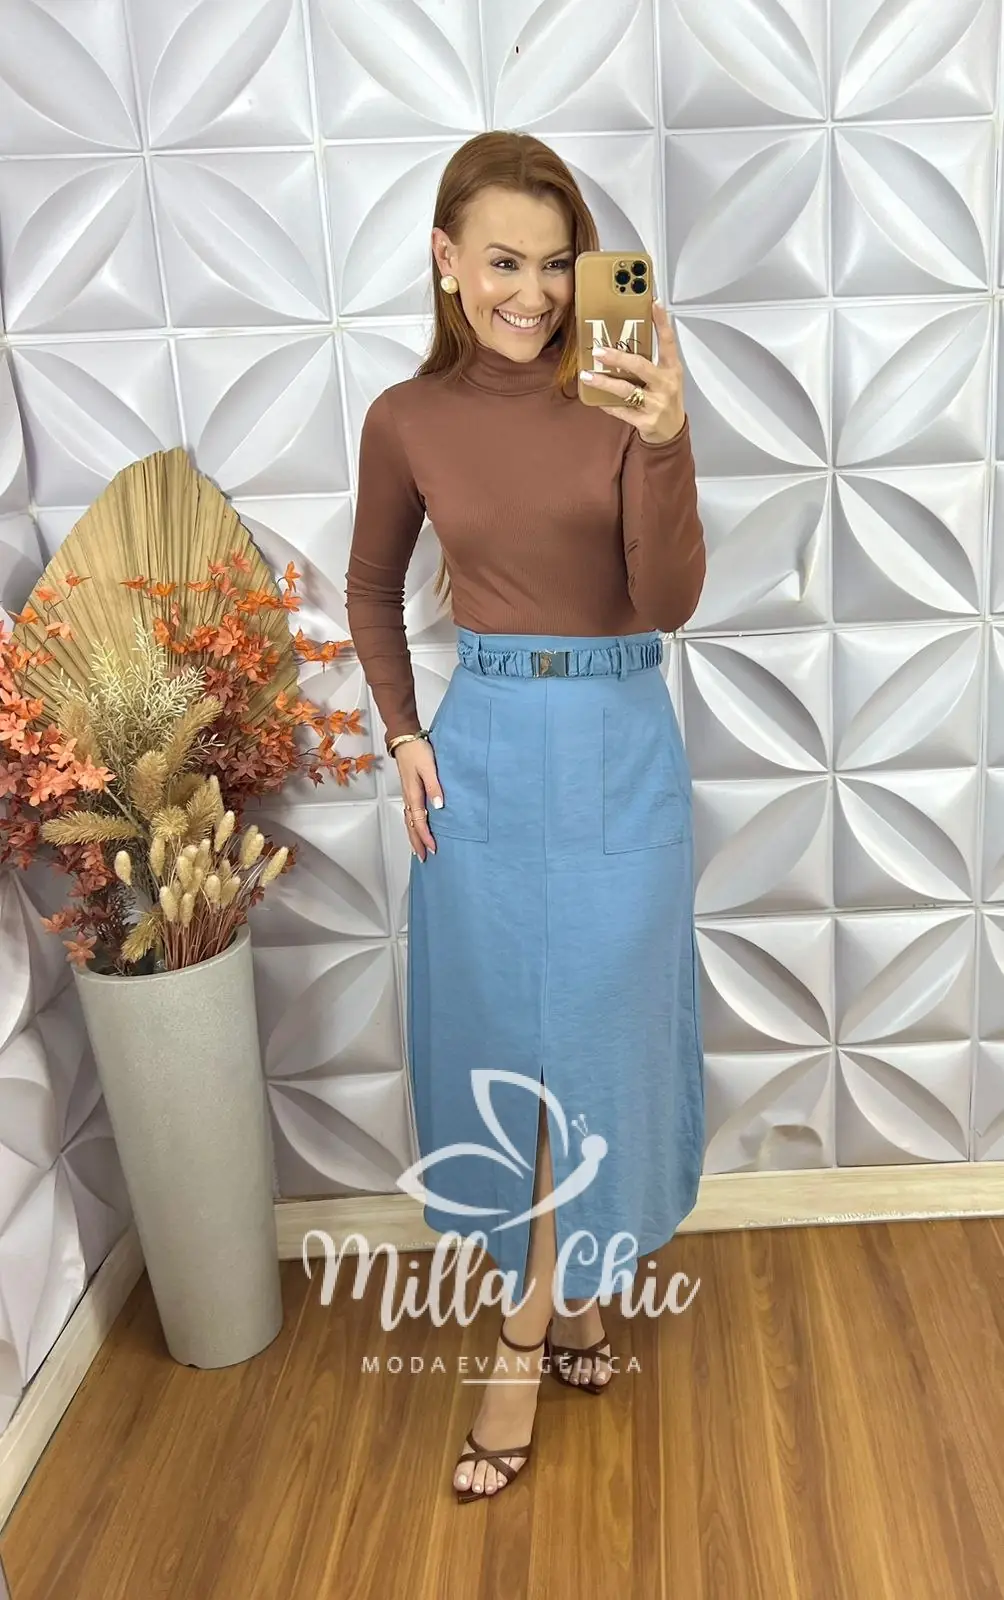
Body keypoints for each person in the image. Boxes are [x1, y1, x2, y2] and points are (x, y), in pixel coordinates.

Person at [344, 130, 706, 1504]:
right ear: (447, 260)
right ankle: (579, 1304)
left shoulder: (625, 393)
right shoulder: (406, 420)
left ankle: (519, 1340)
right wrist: (403, 734)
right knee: (507, 1041)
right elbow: (371, 588)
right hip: (484, 757)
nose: (537, 294)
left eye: (560, 266)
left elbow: (667, 600)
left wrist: (665, 442)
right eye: (505, 262)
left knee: (598, 1048)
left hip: (619, 745)